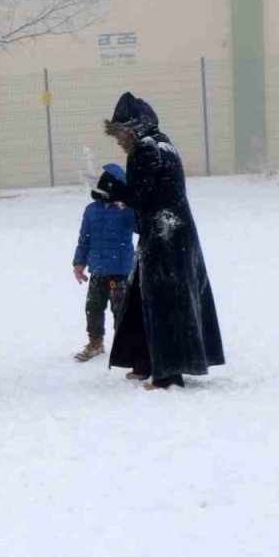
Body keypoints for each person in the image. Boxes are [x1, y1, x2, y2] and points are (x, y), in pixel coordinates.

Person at [98, 92, 225, 389]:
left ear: (133, 128)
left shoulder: (144, 149)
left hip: (163, 236)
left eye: (119, 133)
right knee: (147, 296)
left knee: (164, 301)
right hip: (175, 232)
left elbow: (139, 196)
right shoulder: (164, 144)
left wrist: (109, 186)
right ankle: (144, 361)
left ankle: (167, 372)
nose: (118, 141)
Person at [71, 164, 136, 362]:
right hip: (98, 270)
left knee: (121, 309)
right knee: (93, 307)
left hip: (120, 271)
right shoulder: (91, 210)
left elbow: (138, 227)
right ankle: (95, 342)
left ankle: (125, 345)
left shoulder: (125, 209)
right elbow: (84, 238)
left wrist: (126, 208)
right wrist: (79, 263)